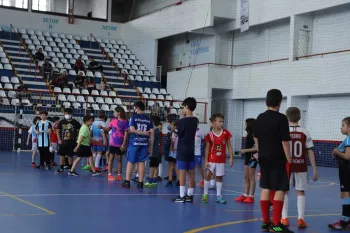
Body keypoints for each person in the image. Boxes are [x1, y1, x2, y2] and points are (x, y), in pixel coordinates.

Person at [253, 89, 293, 233]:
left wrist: (260, 151)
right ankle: (276, 224)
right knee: (280, 188)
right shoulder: (281, 118)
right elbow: (285, 141)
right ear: (280, 102)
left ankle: (265, 223)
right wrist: (289, 158)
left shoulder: (260, 117)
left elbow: (256, 138)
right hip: (278, 158)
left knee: (266, 187)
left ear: (266, 102)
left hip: (264, 158)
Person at [280, 107, 318, 228]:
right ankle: (300, 219)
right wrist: (315, 170)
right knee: (300, 191)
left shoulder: (283, 131)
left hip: (286, 166)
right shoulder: (305, 132)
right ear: (300, 117)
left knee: (284, 191)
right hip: (300, 165)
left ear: (286, 118)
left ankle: (284, 218)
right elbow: (310, 151)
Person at [201, 113, 234, 204]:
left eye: (222, 122)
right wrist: (206, 160)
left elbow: (229, 146)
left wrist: (231, 157)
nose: (221, 123)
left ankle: (219, 196)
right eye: (220, 121)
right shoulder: (209, 135)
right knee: (208, 175)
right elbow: (207, 148)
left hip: (221, 160)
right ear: (214, 122)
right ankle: (205, 194)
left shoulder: (225, 133)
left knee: (219, 177)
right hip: (211, 159)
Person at [121, 101, 154, 188]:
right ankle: (140, 182)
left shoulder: (133, 117)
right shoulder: (149, 119)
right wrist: (151, 146)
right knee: (141, 162)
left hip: (134, 143)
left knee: (131, 161)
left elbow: (132, 130)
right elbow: (152, 134)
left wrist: (142, 133)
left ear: (138, 108)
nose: (133, 109)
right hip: (144, 143)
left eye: (134, 107)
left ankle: (127, 181)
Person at [172, 97, 198, 203]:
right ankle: (189, 195)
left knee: (181, 172)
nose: (183, 109)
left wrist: (180, 121)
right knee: (191, 172)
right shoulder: (195, 120)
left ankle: (182, 195)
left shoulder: (182, 121)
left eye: (183, 107)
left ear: (187, 106)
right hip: (191, 150)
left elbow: (178, 132)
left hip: (182, 149)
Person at [328, 117, 350, 230]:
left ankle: (344, 221)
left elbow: (347, 156)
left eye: (343, 125)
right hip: (345, 169)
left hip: (347, 171)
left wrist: (336, 151)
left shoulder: (348, 139)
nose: (341, 128)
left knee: (345, 195)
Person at [100, 107, 128, 181]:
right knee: (111, 158)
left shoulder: (125, 122)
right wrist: (102, 127)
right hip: (112, 143)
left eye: (115, 112)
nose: (114, 113)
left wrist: (124, 144)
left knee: (119, 159)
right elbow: (108, 128)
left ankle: (119, 175)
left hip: (120, 144)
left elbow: (126, 133)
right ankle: (109, 174)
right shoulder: (113, 120)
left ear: (119, 113)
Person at [236, 118, 258, 203]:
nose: (244, 125)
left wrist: (245, 150)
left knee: (251, 177)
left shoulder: (254, 135)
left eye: (245, 124)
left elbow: (257, 148)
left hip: (253, 158)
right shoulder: (248, 134)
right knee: (246, 177)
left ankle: (251, 196)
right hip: (247, 157)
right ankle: (245, 194)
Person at [56, 108, 81, 173]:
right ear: (64, 114)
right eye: (66, 113)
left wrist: (77, 138)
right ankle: (61, 168)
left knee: (70, 155)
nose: (67, 115)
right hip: (63, 141)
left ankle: (71, 168)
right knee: (62, 155)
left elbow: (80, 130)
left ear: (71, 114)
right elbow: (58, 130)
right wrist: (59, 139)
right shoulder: (61, 122)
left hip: (71, 142)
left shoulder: (75, 122)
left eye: (68, 114)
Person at [144, 116, 161, 188]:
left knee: (152, 165)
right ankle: (154, 180)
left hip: (154, 151)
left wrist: (150, 148)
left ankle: (151, 180)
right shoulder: (157, 130)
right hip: (157, 151)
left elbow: (152, 140)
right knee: (156, 166)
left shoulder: (154, 131)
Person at [165, 120, 179, 187]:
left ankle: (170, 181)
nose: (170, 126)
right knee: (176, 166)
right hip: (178, 151)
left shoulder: (174, 133)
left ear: (175, 126)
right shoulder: (180, 133)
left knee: (171, 166)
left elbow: (173, 141)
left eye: (172, 125)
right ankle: (179, 181)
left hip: (173, 152)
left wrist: (172, 148)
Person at [194, 118, 205, 187]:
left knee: (199, 166)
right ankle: (192, 180)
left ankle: (202, 180)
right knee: (191, 167)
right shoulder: (190, 131)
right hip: (190, 152)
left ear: (198, 124)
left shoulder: (200, 132)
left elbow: (204, 141)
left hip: (198, 152)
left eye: (196, 123)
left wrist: (202, 148)